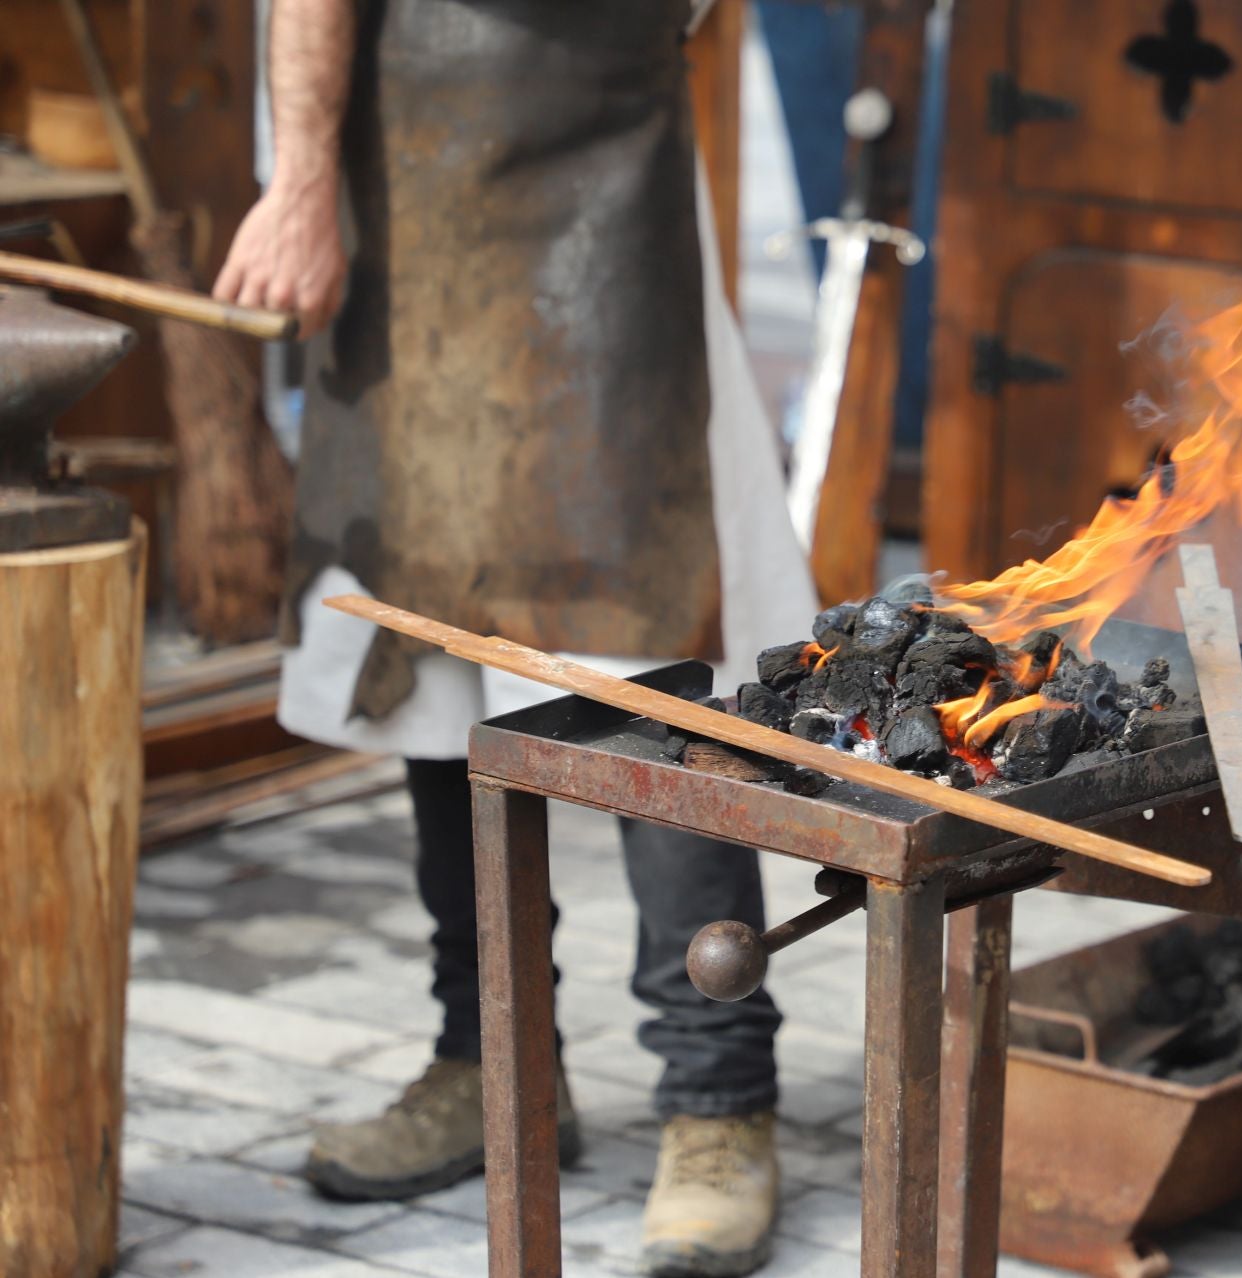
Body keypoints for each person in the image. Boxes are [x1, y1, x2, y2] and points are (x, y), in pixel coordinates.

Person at [212, 0, 817, 1273]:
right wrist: (308, 177)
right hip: (400, 172)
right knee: (426, 652)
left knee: (649, 672)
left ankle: (719, 1099)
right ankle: (490, 1066)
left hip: (605, 166)